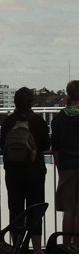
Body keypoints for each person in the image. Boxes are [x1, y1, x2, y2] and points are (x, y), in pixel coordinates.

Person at [0, 87, 50, 254]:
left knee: (16, 209)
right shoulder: (38, 121)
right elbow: (45, 145)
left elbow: (1, 144)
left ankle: (17, 248)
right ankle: (37, 251)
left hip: (13, 172)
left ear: (15, 102)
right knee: (35, 210)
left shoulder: (8, 121)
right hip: (35, 172)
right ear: (32, 103)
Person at [51, 80, 79, 243]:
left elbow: (55, 147)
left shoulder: (59, 118)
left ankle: (66, 248)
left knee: (68, 210)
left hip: (67, 167)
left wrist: (60, 168)